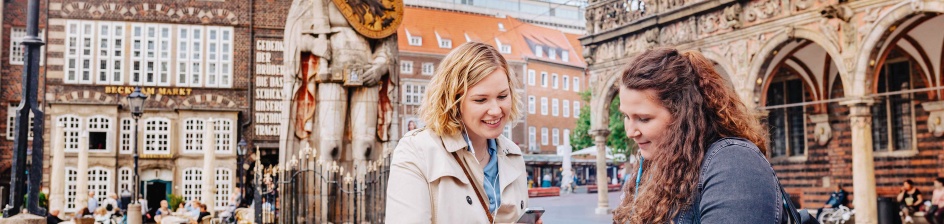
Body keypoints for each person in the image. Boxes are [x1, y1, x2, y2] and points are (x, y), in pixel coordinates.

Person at [611, 48, 781, 223]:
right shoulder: (661, 163)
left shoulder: (735, 164)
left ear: (682, 114)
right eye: (626, 116)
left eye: (644, 119)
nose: (630, 132)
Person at [385, 42, 536, 223]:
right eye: (481, 100)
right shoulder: (417, 151)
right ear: (453, 101)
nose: (496, 110)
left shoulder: (513, 154)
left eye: (502, 96)